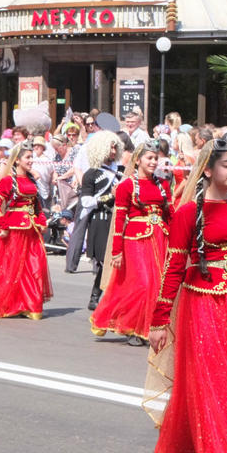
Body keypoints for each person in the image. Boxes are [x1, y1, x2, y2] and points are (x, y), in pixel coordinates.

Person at [146, 127, 227, 453]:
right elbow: (173, 269)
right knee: (218, 378)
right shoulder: (189, 212)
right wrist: (159, 321)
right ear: (208, 169)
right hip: (205, 302)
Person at [91, 140, 172, 345]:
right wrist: (117, 251)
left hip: (160, 239)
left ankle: (148, 328)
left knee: (159, 285)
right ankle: (133, 327)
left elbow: (170, 216)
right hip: (136, 241)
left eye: (156, 158)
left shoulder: (162, 185)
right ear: (138, 160)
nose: (154, 162)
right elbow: (119, 220)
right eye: (149, 158)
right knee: (143, 284)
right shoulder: (127, 185)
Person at [0, 139, 52, 320]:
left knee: (33, 267)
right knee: (12, 269)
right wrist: (4, 224)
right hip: (14, 231)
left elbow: (36, 205)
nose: (31, 160)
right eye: (27, 157)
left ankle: (29, 304)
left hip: (31, 230)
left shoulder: (31, 180)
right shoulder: (8, 181)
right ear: (17, 160)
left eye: (32, 157)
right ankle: (8, 304)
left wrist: (41, 220)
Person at [68, 132, 125, 309]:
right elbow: (86, 202)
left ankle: (110, 297)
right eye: (111, 147)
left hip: (119, 219)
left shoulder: (121, 172)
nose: (114, 151)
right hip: (101, 220)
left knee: (118, 261)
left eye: (116, 147)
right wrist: (110, 196)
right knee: (105, 260)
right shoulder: (91, 174)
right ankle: (95, 295)